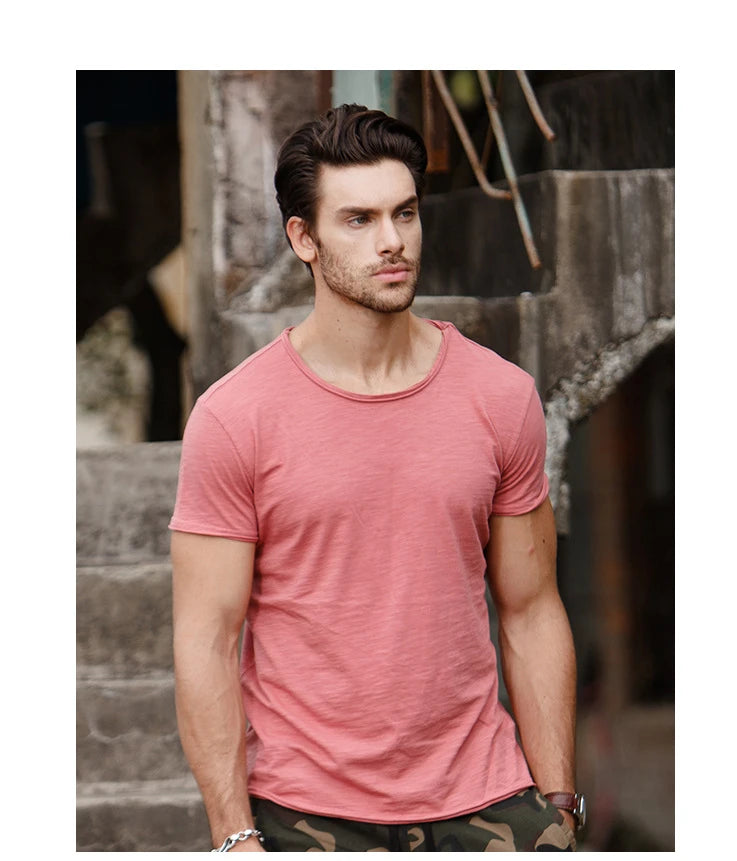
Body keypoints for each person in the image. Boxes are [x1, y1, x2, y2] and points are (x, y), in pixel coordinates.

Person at [170, 103, 583, 853]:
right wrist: (235, 836)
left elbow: (531, 609)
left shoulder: (500, 397)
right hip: (304, 812)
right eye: (358, 219)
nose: (392, 241)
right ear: (304, 238)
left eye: (405, 213)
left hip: (485, 799)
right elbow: (207, 640)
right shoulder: (236, 418)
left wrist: (558, 807)